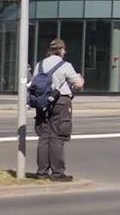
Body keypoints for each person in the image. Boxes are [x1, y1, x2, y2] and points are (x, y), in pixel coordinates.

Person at [32, 38, 84, 182]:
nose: (65, 52)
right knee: (57, 137)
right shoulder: (65, 65)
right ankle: (57, 173)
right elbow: (78, 83)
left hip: (42, 103)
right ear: (60, 50)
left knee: (44, 138)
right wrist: (79, 78)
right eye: (64, 50)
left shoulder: (39, 65)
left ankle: (42, 172)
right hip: (60, 102)